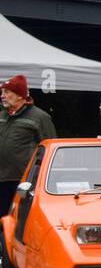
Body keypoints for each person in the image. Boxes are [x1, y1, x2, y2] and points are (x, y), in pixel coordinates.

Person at [0, 75, 56, 211]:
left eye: (6, 92)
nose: (2, 96)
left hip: (22, 180)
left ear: (19, 95)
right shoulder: (2, 115)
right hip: (1, 178)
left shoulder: (40, 117)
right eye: (2, 92)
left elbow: (51, 148)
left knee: (17, 219)